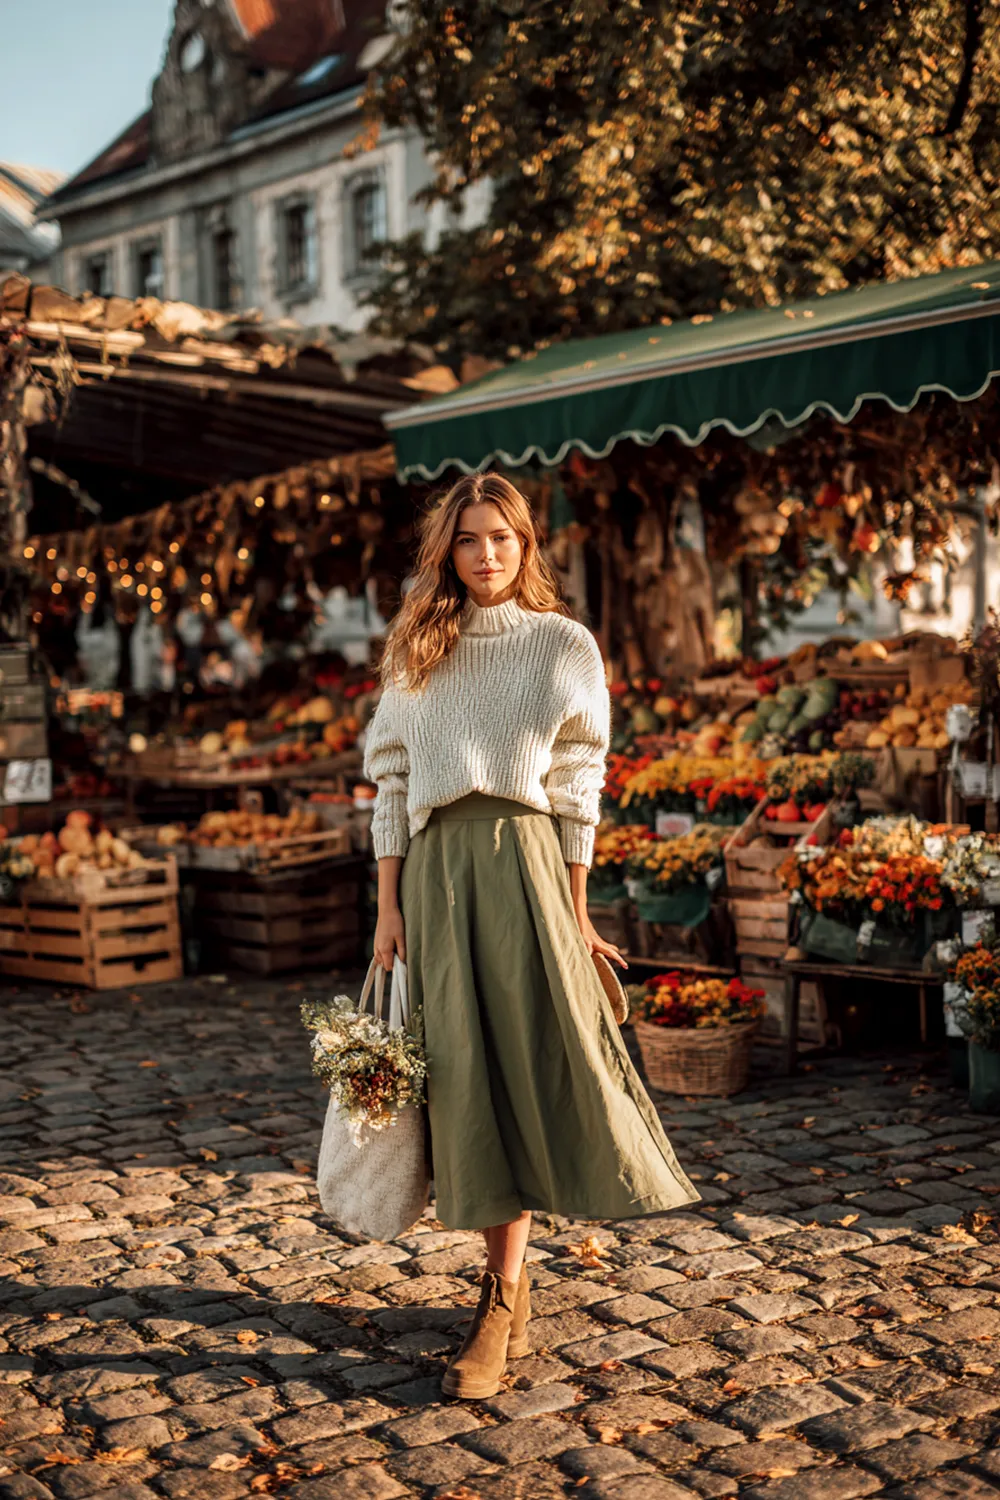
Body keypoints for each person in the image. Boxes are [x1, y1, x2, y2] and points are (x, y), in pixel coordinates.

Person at [363, 473, 699, 1400]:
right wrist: (388, 909)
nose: (486, 556)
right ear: (447, 551)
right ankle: (501, 1289)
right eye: (468, 540)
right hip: (434, 878)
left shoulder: (563, 645)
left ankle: (506, 1294)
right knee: (464, 1075)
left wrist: (578, 908)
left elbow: (578, 783)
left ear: (526, 545)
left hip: (527, 868)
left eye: (501, 538)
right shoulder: (417, 649)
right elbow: (391, 782)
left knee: (529, 1064)